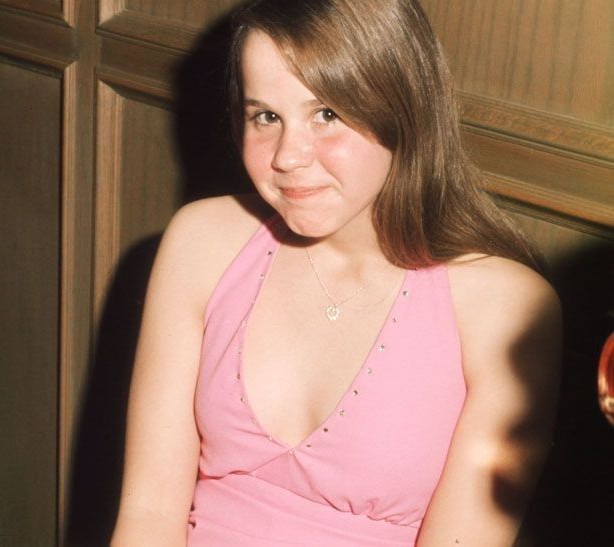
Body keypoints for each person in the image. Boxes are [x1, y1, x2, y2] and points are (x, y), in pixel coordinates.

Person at [111, 1, 562, 545]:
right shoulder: (202, 241)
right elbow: (148, 514)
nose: (288, 157)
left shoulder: (505, 308)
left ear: (403, 108)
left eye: (326, 114)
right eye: (266, 116)